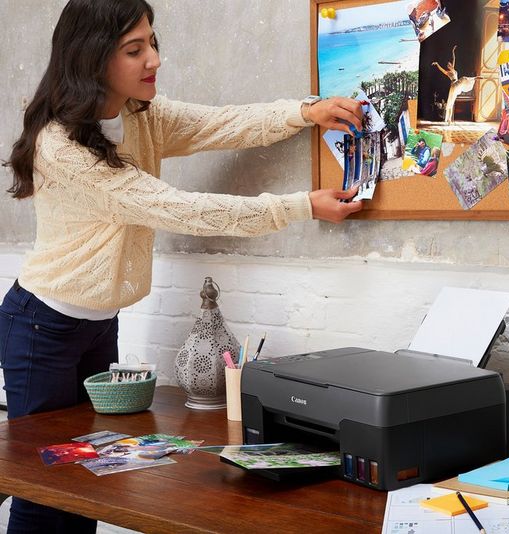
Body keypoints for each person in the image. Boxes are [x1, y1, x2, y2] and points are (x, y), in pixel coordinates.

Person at [0, 1, 364, 532]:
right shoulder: (62, 147)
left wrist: (306, 111)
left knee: (86, 484)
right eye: (134, 50)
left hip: (98, 324)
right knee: (47, 491)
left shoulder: (139, 115)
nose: (155, 59)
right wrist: (301, 206)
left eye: (153, 42)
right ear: (92, 58)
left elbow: (221, 123)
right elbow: (182, 208)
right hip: (42, 328)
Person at [431, 45, 476, 123]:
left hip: (457, 85)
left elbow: (454, 58)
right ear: (448, 67)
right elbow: (441, 70)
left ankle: (449, 119)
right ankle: (448, 119)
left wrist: (453, 51)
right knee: (450, 102)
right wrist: (437, 64)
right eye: (448, 65)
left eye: (450, 64)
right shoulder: (448, 72)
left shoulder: (454, 69)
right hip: (453, 86)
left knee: (452, 101)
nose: (450, 65)